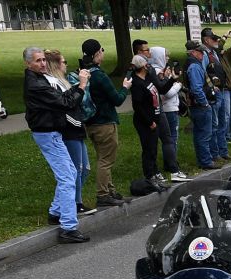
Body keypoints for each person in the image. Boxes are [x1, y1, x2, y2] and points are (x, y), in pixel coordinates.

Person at [21, 49, 90, 243]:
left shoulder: (39, 79)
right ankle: (68, 226)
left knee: (70, 172)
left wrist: (76, 86)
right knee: (68, 178)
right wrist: (82, 86)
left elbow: (63, 99)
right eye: (38, 61)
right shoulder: (36, 85)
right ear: (28, 64)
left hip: (52, 133)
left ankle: (56, 211)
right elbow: (65, 103)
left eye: (44, 60)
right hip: (47, 134)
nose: (43, 63)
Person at [80, 39, 130, 207]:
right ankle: (103, 194)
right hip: (105, 123)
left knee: (103, 157)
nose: (103, 52)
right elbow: (117, 100)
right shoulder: (100, 76)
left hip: (91, 123)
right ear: (96, 54)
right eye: (102, 50)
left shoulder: (84, 73)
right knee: (106, 160)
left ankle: (110, 191)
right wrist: (125, 87)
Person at [44, 50, 93, 219]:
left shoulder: (62, 82)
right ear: (56, 65)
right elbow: (66, 107)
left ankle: (69, 202)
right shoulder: (53, 84)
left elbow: (75, 101)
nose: (66, 65)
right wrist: (81, 85)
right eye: (64, 62)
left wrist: (81, 85)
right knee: (75, 170)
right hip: (69, 131)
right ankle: (74, 203)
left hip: (76, 129)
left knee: (83, 168)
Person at [128, 54, 166, 188]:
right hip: (145, 122)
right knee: (148, 149)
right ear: (143, 66)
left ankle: (155, 172)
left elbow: (161, 89)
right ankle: (149, 176)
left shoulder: (147, 77)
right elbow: (137, 106)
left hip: (154, 118)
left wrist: (172, 79)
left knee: (154, 148)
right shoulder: (137, 83)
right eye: (146, 63)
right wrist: (150, 122)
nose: (148, 64)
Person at [148, 46, 186, 181]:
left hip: (166, 108)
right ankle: (172, 165)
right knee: (170, 139)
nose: (168, 58)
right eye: (166, 56)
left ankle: (170, 163)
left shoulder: (156, 70)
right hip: (167, 108)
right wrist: (178, 84)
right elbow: (166, 92)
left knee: (168, 139)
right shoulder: (157, 72)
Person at [203, 28, 231, 157]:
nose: (217, 42)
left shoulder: (222, 56)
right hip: (220, 90)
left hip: (228, 88)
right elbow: (218, 46)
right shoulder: (211, 55)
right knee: (223, 117)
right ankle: (225, 140)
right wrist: (224, 37)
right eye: (214, 39)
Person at [184, 40, 219, 170]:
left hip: (196, 105)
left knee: (199, 134)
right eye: (200, 51)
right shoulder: (194, 66)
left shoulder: (193, 64)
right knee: (204, 134)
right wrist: (205, 103)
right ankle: (206, 161)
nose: (203, 54)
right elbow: (196, 89)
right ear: (193, 52)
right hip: (200, 106)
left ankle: (202, 160)